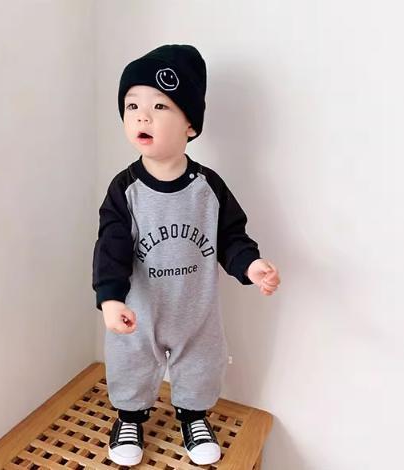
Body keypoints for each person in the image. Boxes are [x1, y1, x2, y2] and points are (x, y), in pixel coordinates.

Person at [92, 44, 281, 467]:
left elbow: (230, 236)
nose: (142, 116)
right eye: (132, 106)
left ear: (190, 125)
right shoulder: (125, 190)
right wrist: (110, 298)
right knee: (130, 362)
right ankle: (129, 418)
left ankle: (194, 417)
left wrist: (251, 266)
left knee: (201, 364)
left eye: (159, 106)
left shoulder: (207, 187)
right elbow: (110, 246)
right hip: (139, 311)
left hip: (195, 311)